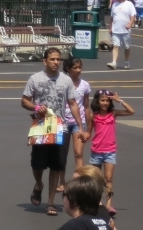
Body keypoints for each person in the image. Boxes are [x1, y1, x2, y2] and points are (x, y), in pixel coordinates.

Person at [21, 47, 86, 217]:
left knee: (57, 165)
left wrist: (80, 126)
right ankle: (38, 184)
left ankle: (50, 202)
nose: (56, 62)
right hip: (41, 127)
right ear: (45, 61)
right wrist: (36, 107)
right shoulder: (35, 79)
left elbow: (73, 103)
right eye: (52, 59)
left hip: (60, 127)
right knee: (37, 164)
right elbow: (24, 101)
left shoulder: (66, 80)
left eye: (58, 59)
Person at [86, 89, 134, 217]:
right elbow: (88, 132)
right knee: (95, 179)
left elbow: (131, 111)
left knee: (108, 178)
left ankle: (108, 205)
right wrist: (84, 136)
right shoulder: (93, 116)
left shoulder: (113, 113)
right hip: (96, 151)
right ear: (97, 101)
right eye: (102, 100)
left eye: (107, 100)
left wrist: (120, 101)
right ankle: (97, 202)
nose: (105, 103)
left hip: (110, 151)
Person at [59, 57, 92, 191]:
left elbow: (86, 107)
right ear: (68, 69)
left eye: (80, 67)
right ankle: (62, 181)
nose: (78, 70)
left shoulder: (84, 85)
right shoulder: (62, 83)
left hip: (79, 123)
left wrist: (88, 128)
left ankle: (78, 182)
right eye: (75, 68)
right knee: (62, 154)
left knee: (78, 153)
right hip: (63, 122)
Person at [106, 0, 135, 69]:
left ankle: (127, 62)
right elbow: (112, 17)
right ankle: (114, 62)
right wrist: (110, 27)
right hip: (116, 30)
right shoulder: (114, 5)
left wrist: (130, 24)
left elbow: (133, 16)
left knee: (127, 47)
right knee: (116, 46)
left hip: (125, 30)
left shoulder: (129, 4)